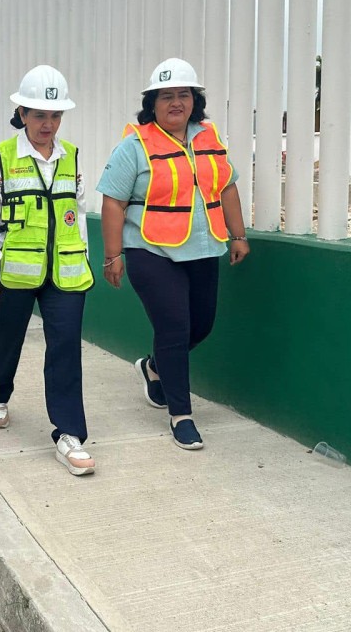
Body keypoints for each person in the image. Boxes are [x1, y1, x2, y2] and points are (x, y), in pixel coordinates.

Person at [97, 58, 249, 450]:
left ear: (194, 101)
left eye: (184, 95)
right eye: (167, 96)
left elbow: (226, 187)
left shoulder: (209, 137)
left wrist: (238, 235)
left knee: (202, 326)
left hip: (202, 247)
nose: (176, 103)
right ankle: (181, 414)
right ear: (153, 103)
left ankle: (153, 367)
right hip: (150, 250)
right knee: (175, 329)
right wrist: (112, 256)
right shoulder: (135, 145)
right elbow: (113, 202)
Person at [0, 65, 96, 477]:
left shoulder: (71, 157)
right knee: (8, 338)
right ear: (22, 113)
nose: (48, 124)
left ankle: (69, 433)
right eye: (39, 115)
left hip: (65, 275)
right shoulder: (1, 158)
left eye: (55, 116)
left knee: (65, 346)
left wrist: (85, 257)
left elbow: (79, 213)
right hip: (14, 272)